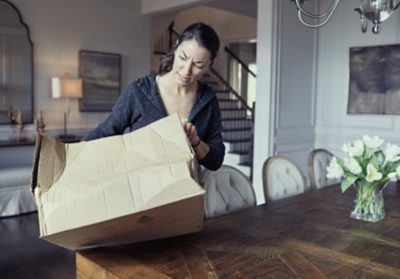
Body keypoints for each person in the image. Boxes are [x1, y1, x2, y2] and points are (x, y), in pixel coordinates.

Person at [84, 22, 225, 171]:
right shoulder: (139, 92)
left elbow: (215, 161)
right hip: (140, 189)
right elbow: (105, 133)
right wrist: (68, 157)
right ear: (176, 48)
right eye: (183, 57)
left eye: (198, 65)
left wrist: (196, 141)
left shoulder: (208, 100)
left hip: (186, 191)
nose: (187, 70)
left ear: (209, 66)